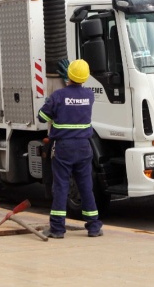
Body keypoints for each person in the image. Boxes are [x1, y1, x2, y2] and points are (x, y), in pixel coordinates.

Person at [37, 58, 104, 239]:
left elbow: (42, 117)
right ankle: (94, 226)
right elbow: (75, 98)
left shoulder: (58, 96)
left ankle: (58, 229)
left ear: (68, 75)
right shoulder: (89, 95)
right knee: (85, 187)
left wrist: (49, 101)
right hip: (84, 147)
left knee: (61, 187)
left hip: (64, 148)